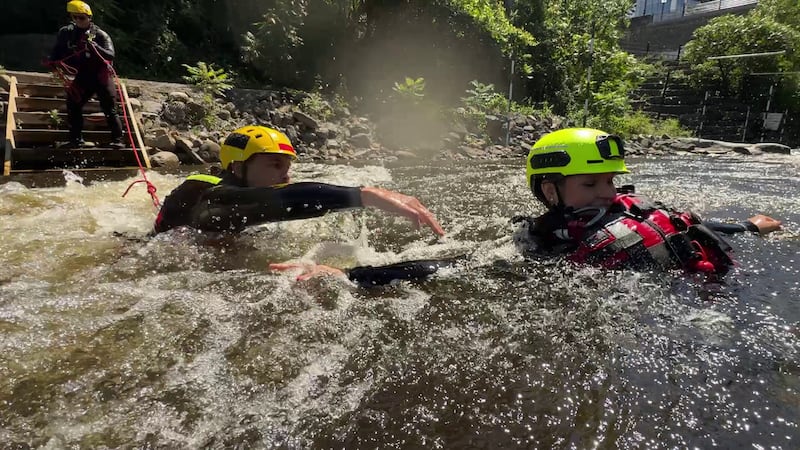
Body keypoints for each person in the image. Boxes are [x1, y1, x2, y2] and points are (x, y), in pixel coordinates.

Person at [272, 128, 782, 285]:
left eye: (610, 181)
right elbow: (452, 263)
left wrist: (749, 225)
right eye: (591, 184)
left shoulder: (596, 220)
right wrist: (353, 275)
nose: (608, 193)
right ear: (550, 191)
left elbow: (690, 226)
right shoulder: (546, 236)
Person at [153, 125, 445, 236]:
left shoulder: (237, 188)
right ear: (238, 167)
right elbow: (284, 199)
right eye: (275, 164)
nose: (286, 175)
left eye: (288, 165)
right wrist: (365, 195)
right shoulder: (212, 196)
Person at [48, 1, 125, 149]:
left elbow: (111, 54)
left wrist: (96, 47)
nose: (78, 21)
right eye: (75, 17)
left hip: (101, 76)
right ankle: (76, 139)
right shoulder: (68, 33)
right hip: (84, 76)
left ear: (89, 18)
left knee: (109, 108)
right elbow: (58, 50)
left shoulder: (100, 35)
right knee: (73, 103)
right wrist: (52, 61)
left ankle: (118, 140)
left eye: (81, 18)